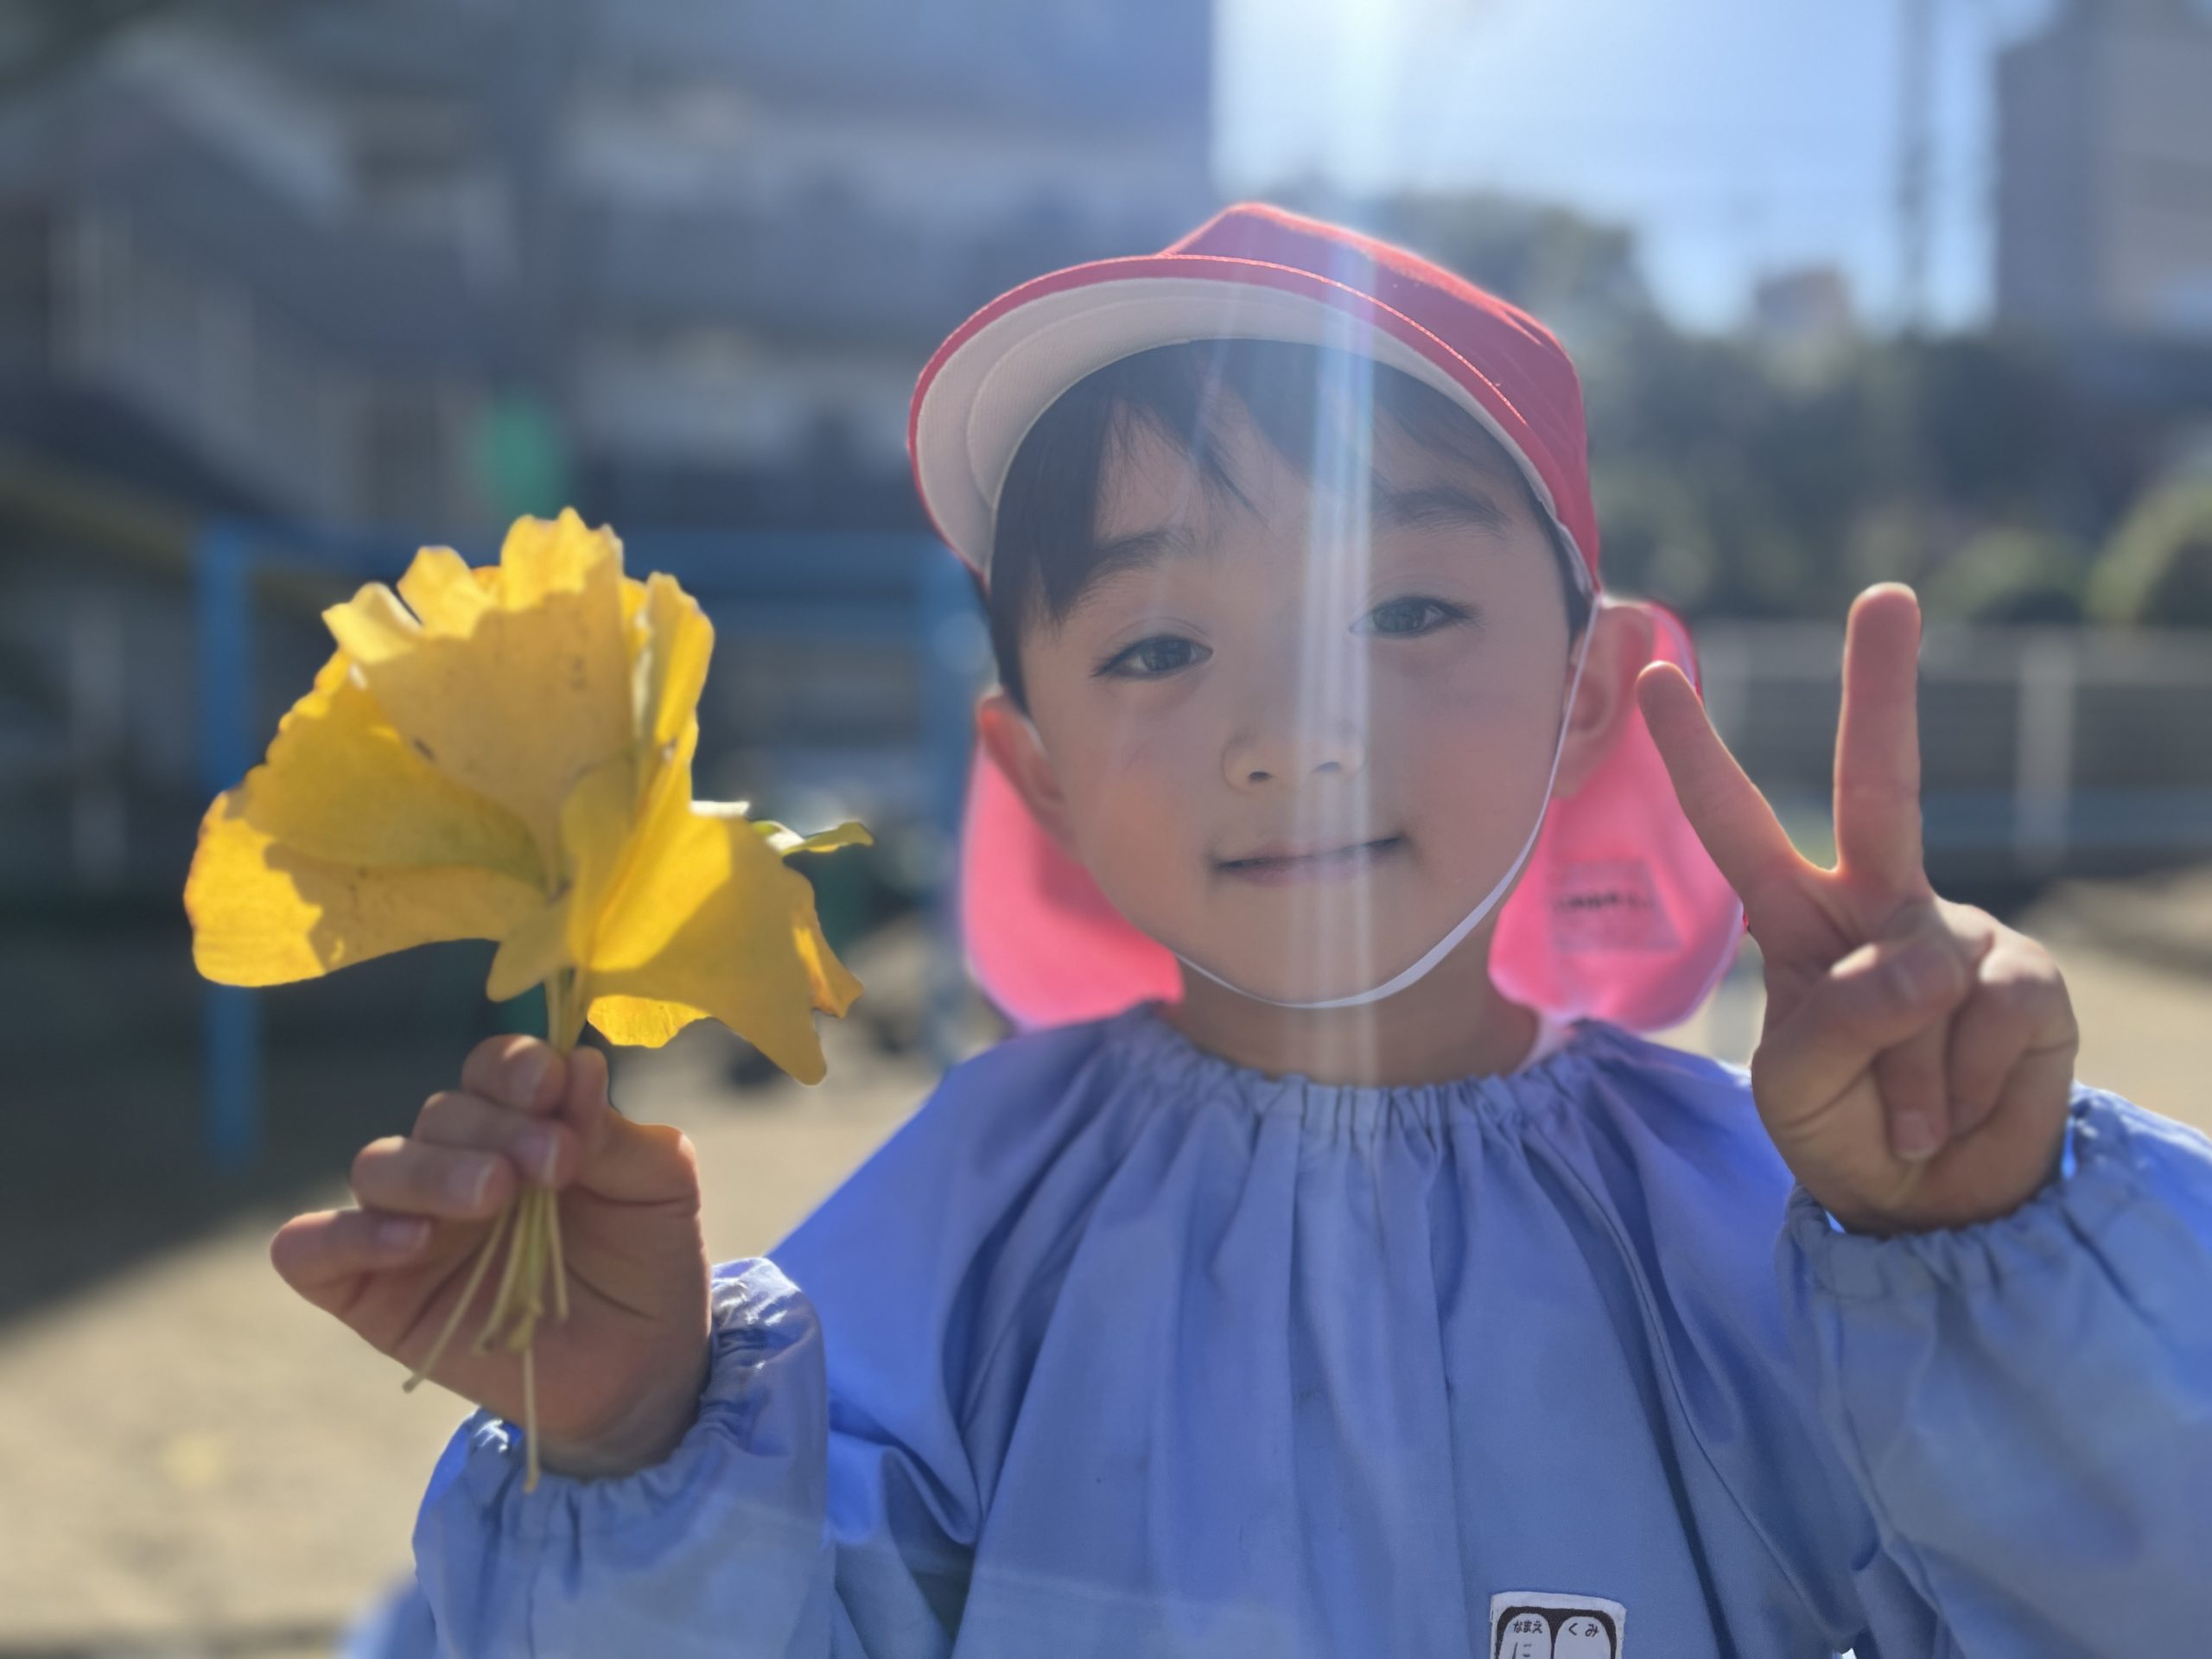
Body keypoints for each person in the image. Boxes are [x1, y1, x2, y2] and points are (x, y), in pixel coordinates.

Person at [298, 205, 2212, 1657]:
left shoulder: (1787, 1216)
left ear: (1585, 691)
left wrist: (1988, 1256)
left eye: (1406, 614)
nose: (1292, 730)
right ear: (1035, 769)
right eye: (1155, 646)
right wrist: (633, 1444)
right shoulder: (973, 1217)